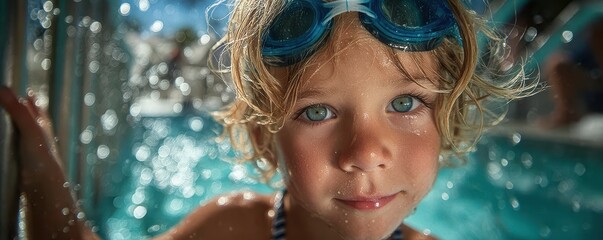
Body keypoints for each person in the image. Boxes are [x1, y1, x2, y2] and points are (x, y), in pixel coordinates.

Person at [0, 0, 536, 239]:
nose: (366, 151)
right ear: (263, 136)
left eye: (404, 103)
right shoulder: (231, 229)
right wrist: (42, 173)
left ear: (446, 114)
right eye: (318, 111)